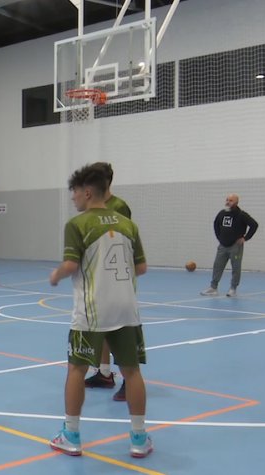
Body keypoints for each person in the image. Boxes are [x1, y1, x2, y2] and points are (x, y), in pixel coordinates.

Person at [48, 164, 152, 458]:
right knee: (131, 372)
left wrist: (55, 275)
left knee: (76, 370)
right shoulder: (127, 224)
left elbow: (70, 265)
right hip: (127, 309)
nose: (73, 199)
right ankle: (139, 438)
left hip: (93, 311)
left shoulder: (78, 225)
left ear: (88, 192)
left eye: (75, 193)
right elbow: (141, 268)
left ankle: (70, 434)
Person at [84, 162, 132, 401]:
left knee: (120, 331)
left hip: (116, 278)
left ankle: (128, 380)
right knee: (101, 328)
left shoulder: (119, 206)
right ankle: (104, 373)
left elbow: (120, 241)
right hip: (98, 278)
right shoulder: (91, 207)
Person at [200, 193, 258, 298]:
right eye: (227, 200)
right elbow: (215, 224)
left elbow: (254, 225)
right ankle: (213, 288)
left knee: (236, 267)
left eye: (230, 200)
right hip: (222, 246)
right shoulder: (221, 213)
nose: (227, 202)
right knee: (217, 265)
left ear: (236, 202)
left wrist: (245, 238)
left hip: (235, 246)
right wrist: (219, 237)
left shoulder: (242, 215)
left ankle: (233, 289)